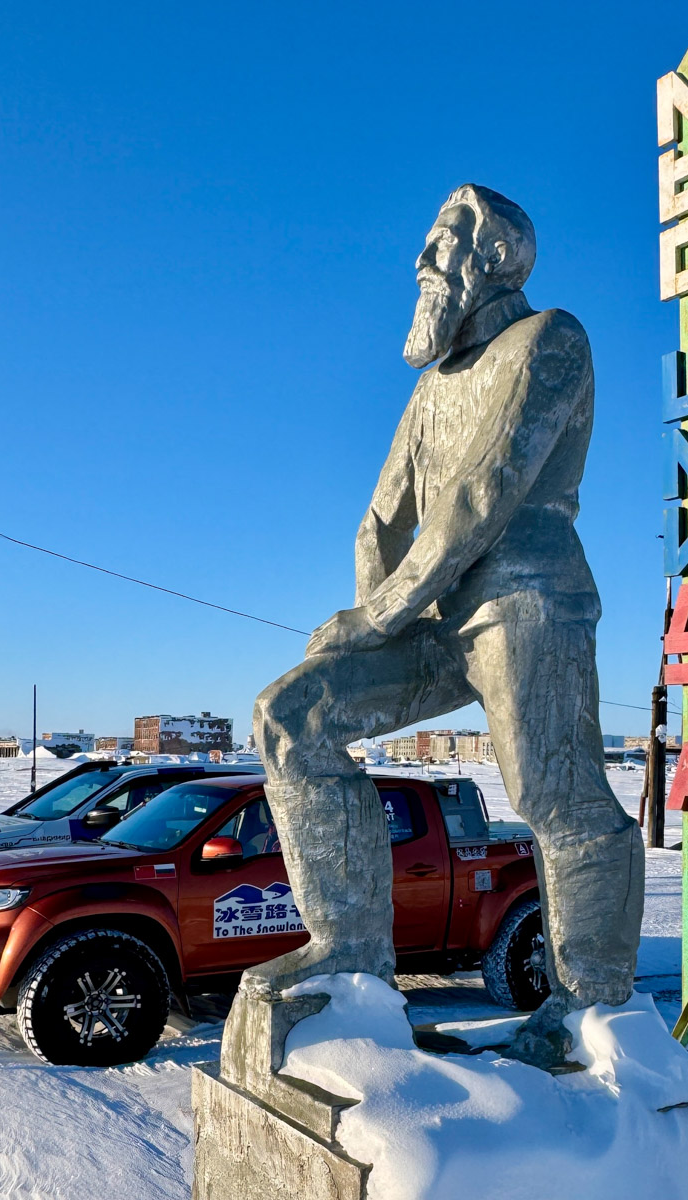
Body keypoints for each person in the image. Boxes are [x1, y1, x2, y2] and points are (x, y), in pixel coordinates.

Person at [248, 184, 644, 1065]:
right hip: (433, 612)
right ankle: (350, 957)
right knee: (292, 716)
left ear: (495, 258)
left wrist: (380, 611)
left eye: (441, 242)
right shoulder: (431, 389)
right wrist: (382, 620)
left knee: (556, 795)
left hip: (522, 600)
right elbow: (381, 520)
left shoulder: (548, 339)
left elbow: (481, 494)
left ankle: (590, 1007)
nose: (421, 260)